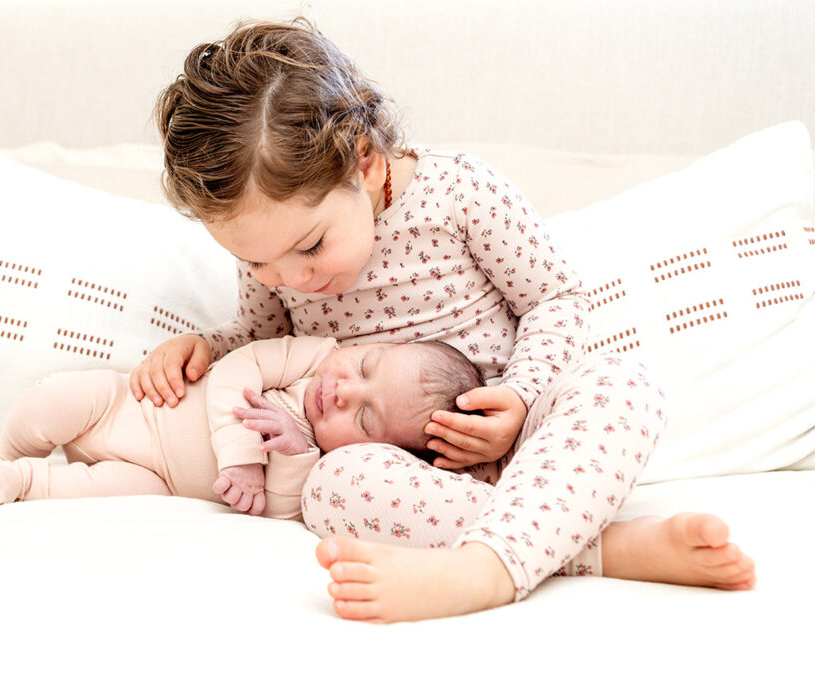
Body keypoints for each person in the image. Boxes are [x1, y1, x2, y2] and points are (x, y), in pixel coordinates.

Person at [132, 17, 757, 622]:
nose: (290, 278)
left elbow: (555, 300)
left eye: (312, 247)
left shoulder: (459, 192)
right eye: (256, 261)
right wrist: (204, 346)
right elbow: (264, 340)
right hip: (408, 477)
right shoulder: (275, 255)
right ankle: (600, 547)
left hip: (523, 443)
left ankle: (483, 570)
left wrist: (520, 394)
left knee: (621, 383)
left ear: (366, 164)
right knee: (329, 486)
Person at [0, 335, 483, 518]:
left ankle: (14, 484)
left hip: (159, 481)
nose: (344, 390)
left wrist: (294, 452)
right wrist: (241, 461)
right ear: (371, 347)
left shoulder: (320, 462)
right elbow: (235, 368)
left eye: (364, 416)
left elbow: (278, 509)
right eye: (366, 367)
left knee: (83, 494)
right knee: (55, 399)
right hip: (127, 407)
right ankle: (5, 454)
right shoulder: (316, 356)